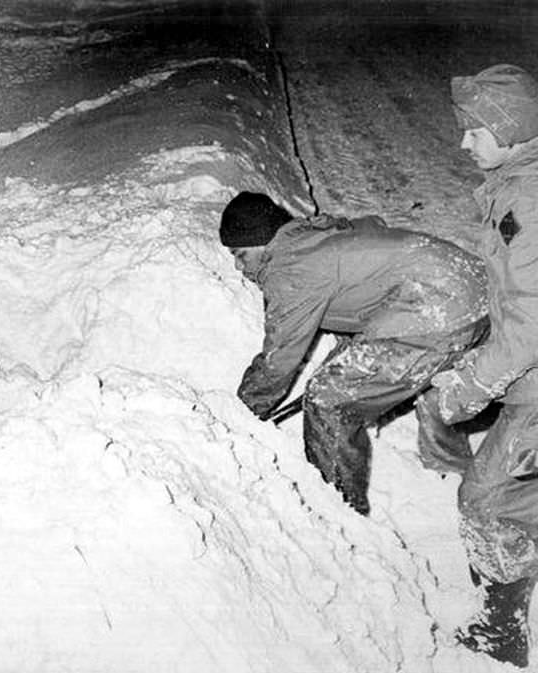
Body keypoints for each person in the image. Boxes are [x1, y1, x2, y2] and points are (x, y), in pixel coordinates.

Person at [220, 191, 489, 518]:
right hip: (471, 285)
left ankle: (338, 513)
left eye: (240, 254)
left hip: (439, 308)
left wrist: (240, 412)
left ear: (262, 241)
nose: (237, 265)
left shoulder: (288, 270)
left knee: (329, 399)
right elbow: (371, 228)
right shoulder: (310, 237)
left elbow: (278, 361)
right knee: (369, 375)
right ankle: (451, 467)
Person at [430, 63, 538, 668]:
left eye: (474, 130)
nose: (463, 142)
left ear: (507, 127)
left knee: (487, 498)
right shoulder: (521, 184)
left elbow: (532, 324)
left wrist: (470, 384)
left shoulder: (528, 199)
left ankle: (502, 632)